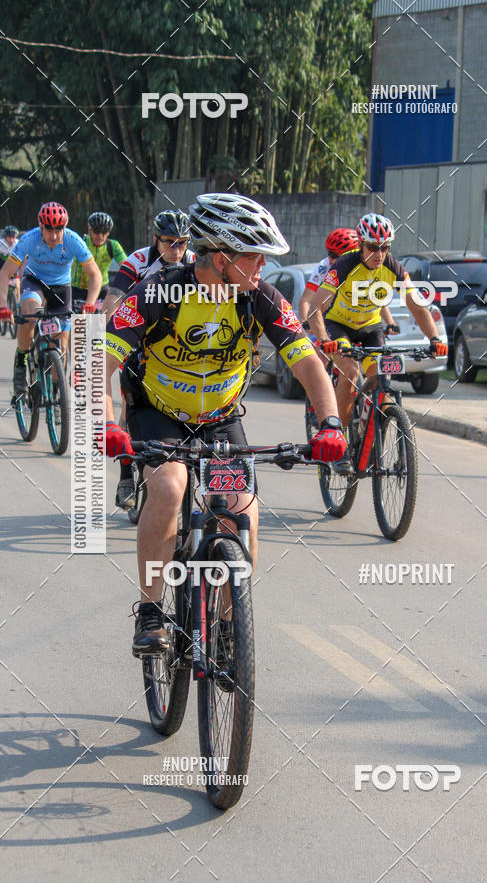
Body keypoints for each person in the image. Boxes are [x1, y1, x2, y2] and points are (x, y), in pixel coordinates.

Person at [99, 192, 347, 656]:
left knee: (239, 509)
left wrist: (331, 423)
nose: (261, 269)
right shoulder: (157, 293)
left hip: (219, 418)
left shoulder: (261, 299)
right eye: (254, 258)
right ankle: (152, 611)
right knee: (171, 488)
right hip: (159, 413)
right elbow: (99, 365)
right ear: (220, 258)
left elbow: (309, 366)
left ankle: (231, 629)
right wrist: (106, 421)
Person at [308, 213, 448, 457]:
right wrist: (324, 339)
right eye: (373, 247)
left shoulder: (392, 267)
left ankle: (370, 433)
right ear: (361, 245)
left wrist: (435, 339)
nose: (379, 255)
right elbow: (315, 309)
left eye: (385, 248)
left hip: (372, 328)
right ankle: (337, 440)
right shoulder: (343, 265)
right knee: (351, 372)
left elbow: (416, 305)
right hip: (340, 326)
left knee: (382, 378)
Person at [103, 209, 195, 510]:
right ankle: (126, 476)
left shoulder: (193, 262)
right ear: (156, 240)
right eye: (169, 242)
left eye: (182, 243)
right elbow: (114, 298)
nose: (176, 250)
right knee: (130, 413)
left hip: (179, 346)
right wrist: (111, 332)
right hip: (138, 343)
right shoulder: (137, 262)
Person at [0, 202, 102, 399]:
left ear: (65, 227)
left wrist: (90, 302)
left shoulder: (73, 240)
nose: (54, 236)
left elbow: (95, 275)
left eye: (58, 230)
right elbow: (6, 272)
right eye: (49, 230)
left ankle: (56, 394)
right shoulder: (29, 239)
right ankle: (21, 364)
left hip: (60, 287)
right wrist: (3, 305)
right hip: (34, 282)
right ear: (41, 226)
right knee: (30, 314)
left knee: (60, 346)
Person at [298, 228, 359, 324]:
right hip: (327, 319)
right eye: (329, 253)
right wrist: (306, 322)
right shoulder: (324, 266)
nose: (330, 258)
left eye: (335, 255)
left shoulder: (362, 268)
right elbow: (305, 300)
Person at [71, 212, 126, 306]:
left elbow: (126, 266)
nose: (100, 236)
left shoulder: (113, 246)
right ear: (90, 230)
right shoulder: (81, 243)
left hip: (101, 290)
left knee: (100, 320)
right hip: (77, 290)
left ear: (108, 232)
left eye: (104, 232)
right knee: (79, 320)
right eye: (97, 231)